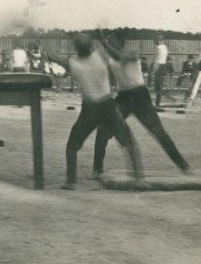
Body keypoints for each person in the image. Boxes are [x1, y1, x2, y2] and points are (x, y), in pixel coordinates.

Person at [44, 34, 145, 190]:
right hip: (108, 106)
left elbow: (60, 60)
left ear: (76, 47)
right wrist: (104, 40)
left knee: (72, 146)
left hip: (90, 109)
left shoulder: (74, 62)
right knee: (129, 142)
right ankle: (139, 178)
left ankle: (71, 182)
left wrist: (48, 54)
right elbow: (114, 53)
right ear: (91, 47)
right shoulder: (100, 56)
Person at [92, 33, 191, 181]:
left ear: (120, 43)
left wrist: (104, 42)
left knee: (158, 132)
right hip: (123, 98)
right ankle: (97, 169)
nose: (108, 45)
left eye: (112, 42)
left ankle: (183, 165)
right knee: (103, 129)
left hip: (139, 96)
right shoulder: (111, 58)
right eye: (108, 43)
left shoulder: (131, 53)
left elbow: (119, 56)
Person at [150, 34, 169, 108]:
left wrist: (153, 71)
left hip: (158, 66)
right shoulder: (165, 47)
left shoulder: (158, 48)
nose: (154, 41)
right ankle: (157, 103)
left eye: (156, 39)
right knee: (159, 87)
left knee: (158, 87)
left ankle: (157, 104)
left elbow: (156, 60)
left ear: (159, 40)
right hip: (162, 66)